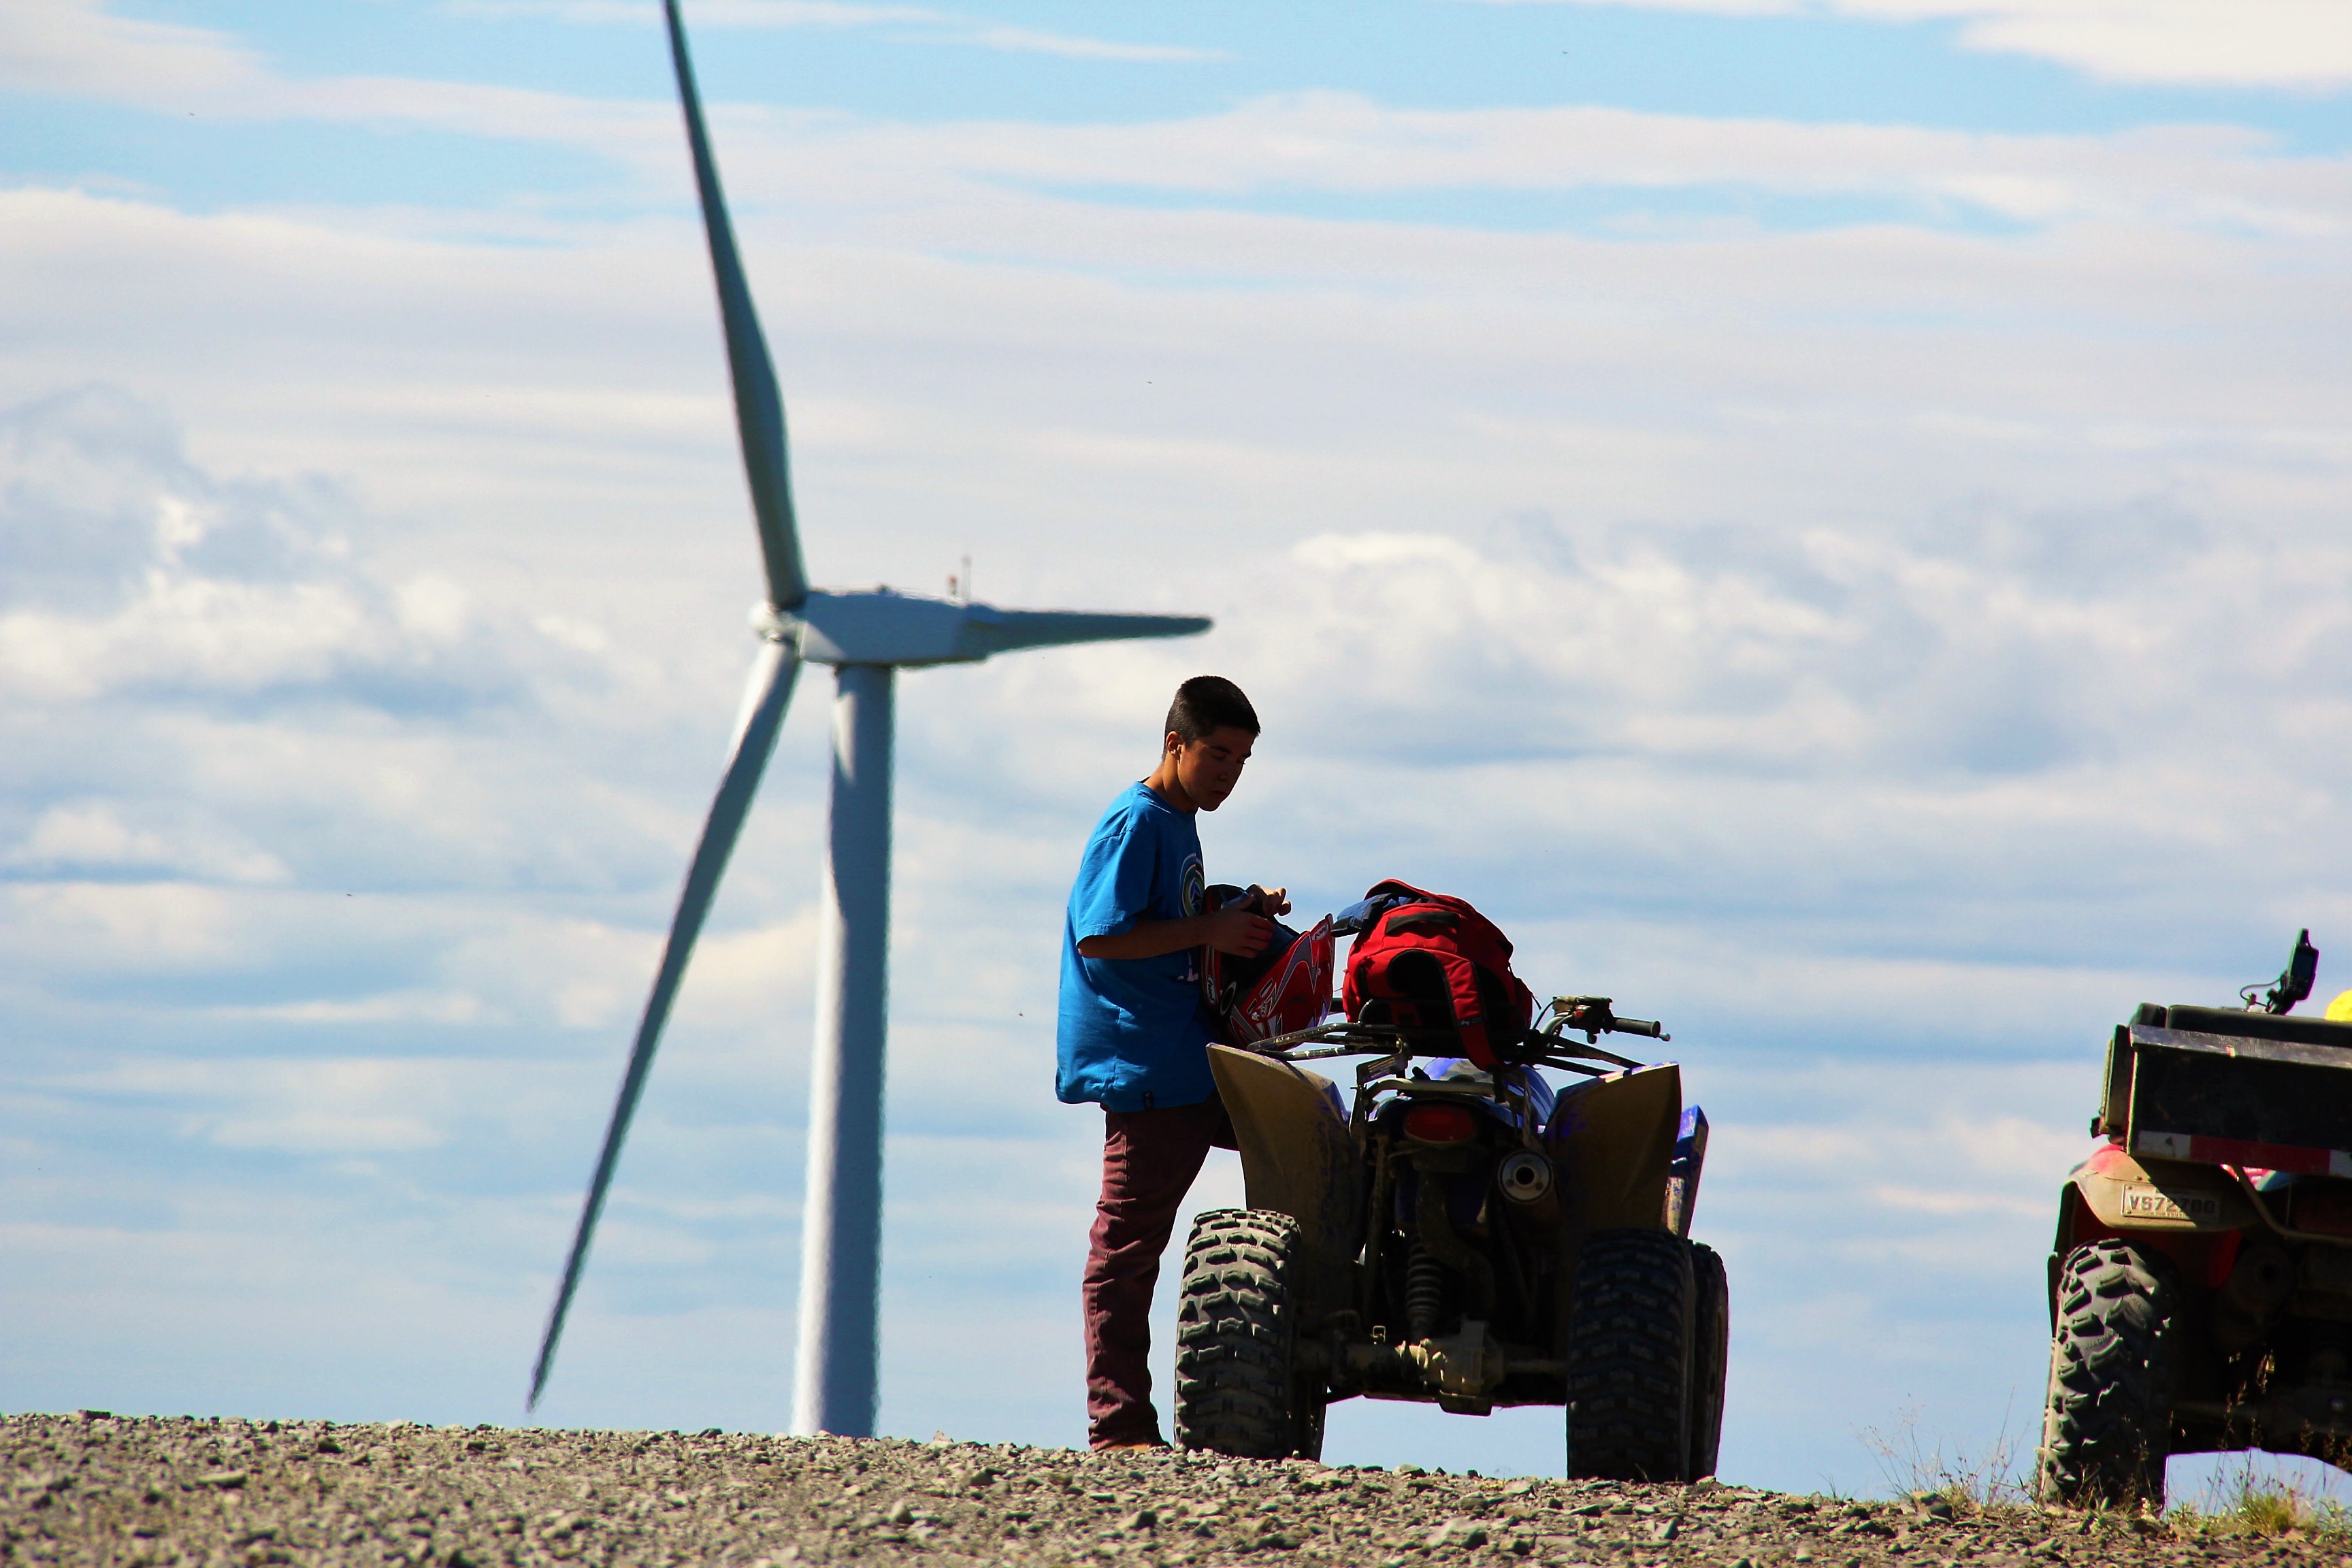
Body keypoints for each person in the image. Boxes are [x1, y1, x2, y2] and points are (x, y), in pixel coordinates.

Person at [1058, 674, 1287, 1450]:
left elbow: (1175, 918)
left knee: (1310, 1152)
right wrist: (1208, 933)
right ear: (1174, 744)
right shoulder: (1138, 822)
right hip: (1148, 1068)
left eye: (1243, 760)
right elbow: (1103, 935)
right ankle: (1119, 1427)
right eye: (1218, 754)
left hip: (1193, 1059)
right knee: (1125, 1249)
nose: (1229, 771)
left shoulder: (1180, 822)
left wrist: (1234, 910)